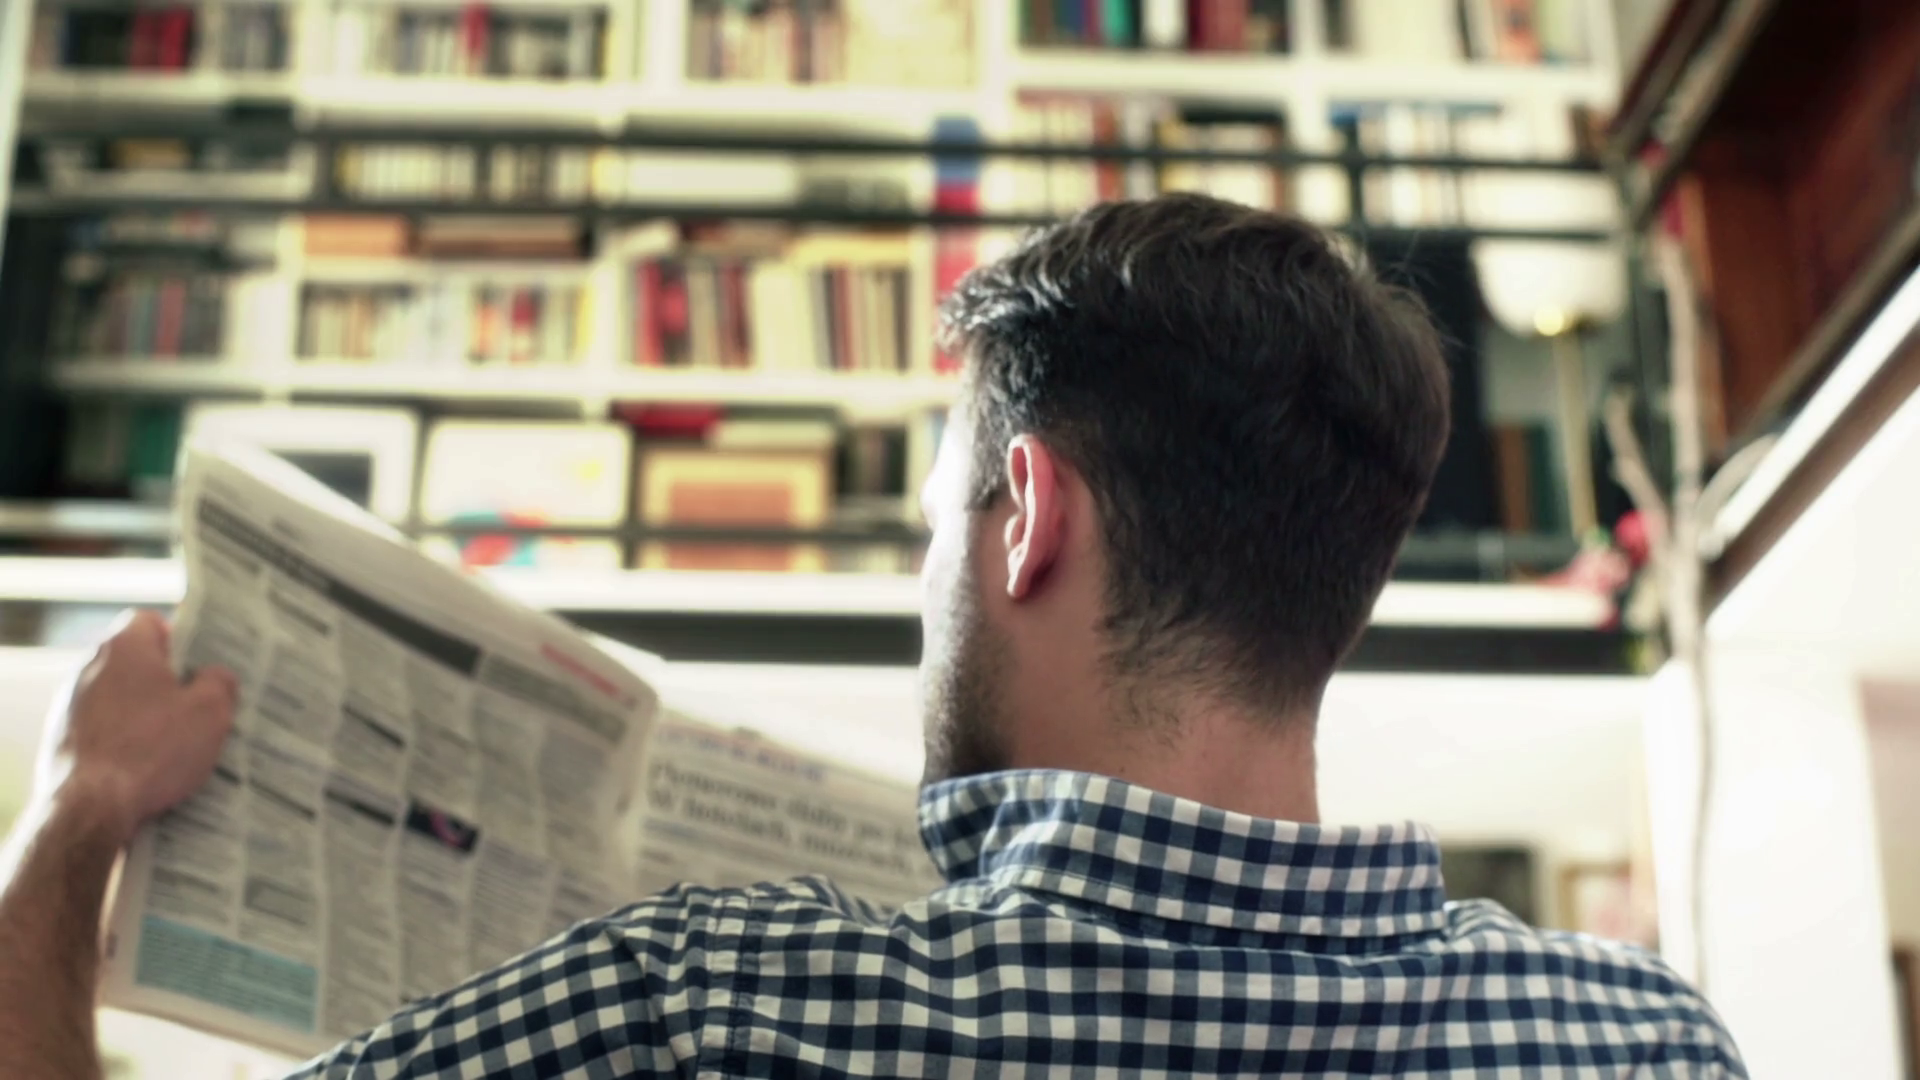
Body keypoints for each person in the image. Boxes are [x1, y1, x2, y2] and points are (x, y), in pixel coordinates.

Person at [0, 195, 1745, 1078]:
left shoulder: (710, 1009)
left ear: (1028, 515)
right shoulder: (1640, 1046)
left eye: (933, 521)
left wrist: (72, 819)